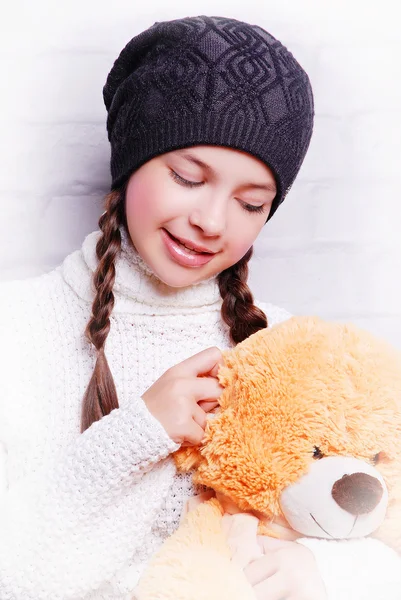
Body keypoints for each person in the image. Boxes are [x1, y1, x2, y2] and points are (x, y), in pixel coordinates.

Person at [0, 14, 399, 600]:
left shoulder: (284, 348)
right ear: (132, 160)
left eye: (250, 202)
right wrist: (139, 432)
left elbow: (380, 526)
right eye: (188, 177)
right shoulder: (17, 329)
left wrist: (330, 575)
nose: (211, 222)